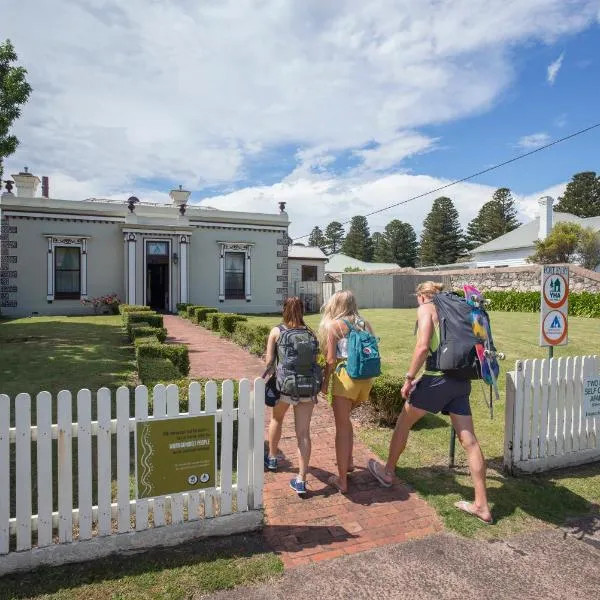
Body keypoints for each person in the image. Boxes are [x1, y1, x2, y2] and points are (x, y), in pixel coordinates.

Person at [368, 281, 493, 524]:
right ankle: (482, 505)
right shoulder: (459, 307)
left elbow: (423, 346)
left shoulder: (427, 309)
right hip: (461, 379)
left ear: (423, 296)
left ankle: (388, 472)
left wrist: (409, 378)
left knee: (404, 422)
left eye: (418, 297)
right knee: (470, 441)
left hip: (437, 379)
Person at [318, 290, 375, 493]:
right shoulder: (364, 323)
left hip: (346, 379)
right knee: (346, 421)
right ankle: (349, 462)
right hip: (365, 381)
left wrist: (325, 382)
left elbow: (331, 360)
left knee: (341, 428)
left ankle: (342, 480)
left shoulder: (335, 326)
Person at [264, 296, 320, 496]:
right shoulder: (310, 333)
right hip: (307, 388)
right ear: (303, 311)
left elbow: (269, 362)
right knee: (303, 434)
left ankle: (271, 458)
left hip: (285, 387)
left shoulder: (277, 331)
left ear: (284, 310)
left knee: (276, 419)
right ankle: (301, 479)